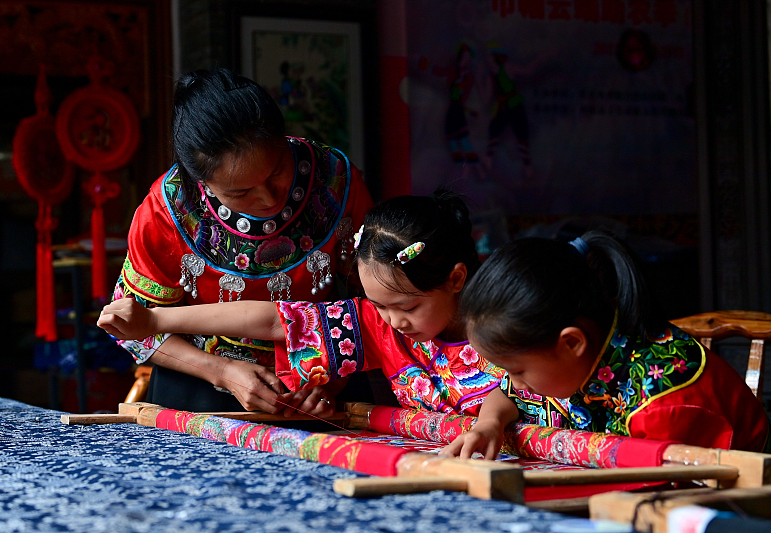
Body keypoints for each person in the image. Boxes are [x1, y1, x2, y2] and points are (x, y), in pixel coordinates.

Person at [99, 191, 507, 418]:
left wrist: (491, 421)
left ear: (455, 279)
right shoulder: (376, 325)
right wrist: (154, 318)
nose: (394, 321)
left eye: (405, 306)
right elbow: (274, 321)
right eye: (380, 306)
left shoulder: (510, 329)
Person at [112, 68, 373, 414]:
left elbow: (379, 302)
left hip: (323, 384)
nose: (267, 198)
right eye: (240, 192)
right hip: (200, 389)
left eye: (277, 170)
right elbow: (133, 327)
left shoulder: (336, 182)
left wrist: (334, 373)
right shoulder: (166, 211)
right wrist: (222, 371)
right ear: (201, 181)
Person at [442, 231, 771, 460]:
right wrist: (488, 424)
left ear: (571, 342)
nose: (515, 382)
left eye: (517, 371)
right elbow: (511, 394)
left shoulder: (662, 405)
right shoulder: (583, 346)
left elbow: (666, 499)